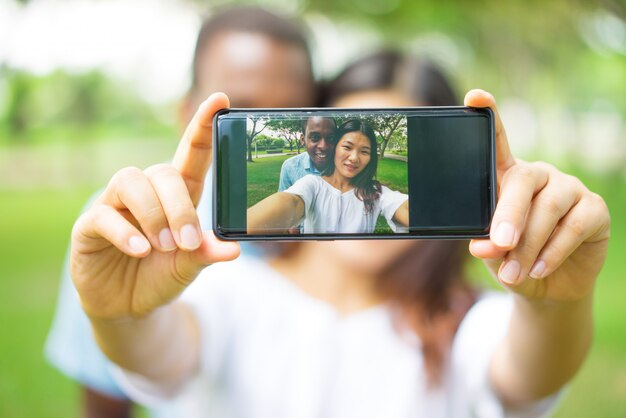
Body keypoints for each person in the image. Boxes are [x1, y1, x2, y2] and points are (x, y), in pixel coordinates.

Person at [68, 77, 610, 418]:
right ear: (327, 149)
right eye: (345, 143)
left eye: (364, 148)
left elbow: (527, 377)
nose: (353, 154)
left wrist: (555, 303)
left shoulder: (462, 314)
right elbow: (162, 359)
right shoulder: (239, 284)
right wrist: (117, 318)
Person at [44, 6, 317, 418]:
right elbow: (106, 399)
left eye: (292, 113)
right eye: (239, 113)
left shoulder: (345, 234)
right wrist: (119, 321)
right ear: (186, 114)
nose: (266, 124)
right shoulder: (124, 224)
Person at [249, 118, 408, 234]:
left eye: (364, 151)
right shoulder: (311, 184)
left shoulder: (375, 192)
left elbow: (403, 207)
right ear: (336, 148)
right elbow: (289, 203)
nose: (354, 157)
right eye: (347, 147)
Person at [278, 116, 338, 191]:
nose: (323, 146)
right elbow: (284, 200)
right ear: (303, 140)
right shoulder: (290, 167)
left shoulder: (343, 167)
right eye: (315, 137)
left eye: (331, 138)